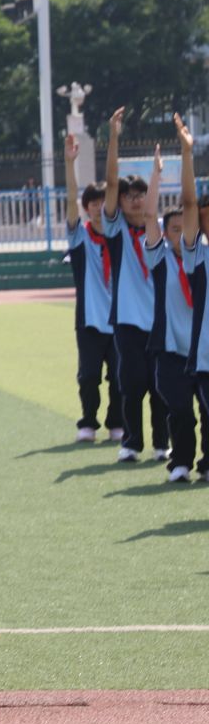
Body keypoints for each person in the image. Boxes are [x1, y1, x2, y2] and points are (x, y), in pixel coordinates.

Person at [100, 108, 170, 464]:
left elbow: (158, 204)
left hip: (160, 320)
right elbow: (110, 183)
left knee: (161, 386)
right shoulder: (116, 231)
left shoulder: (159, 230)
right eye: (130, 195)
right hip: (127, 321)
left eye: (141, 193)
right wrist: (114, 137)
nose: (135, 198)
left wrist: (156, 174)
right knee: (131, 384)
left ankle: (162, 444)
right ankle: (131, 442)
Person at [64, 132, 124, 444]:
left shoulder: (121, 237)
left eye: (104, 202)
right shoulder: (81, 238)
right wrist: (69, 164)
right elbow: (71, 201)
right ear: (87, 207)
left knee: (118, 377)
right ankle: (88, 421)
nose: (100, 207)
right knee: (88, 376)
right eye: (94, 203)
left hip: (120, 319)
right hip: (88, 320)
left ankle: (117, 422)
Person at [152, 119, 199, 485]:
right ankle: (180, 462)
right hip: (172, 350)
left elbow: (191, 204)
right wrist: (182, 155)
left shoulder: (201, 256)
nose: (181, 233)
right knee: (180, 409)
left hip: (203, 349)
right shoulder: (163, 258)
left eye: (187, 227)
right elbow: (184, 202)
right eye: (175, 228)